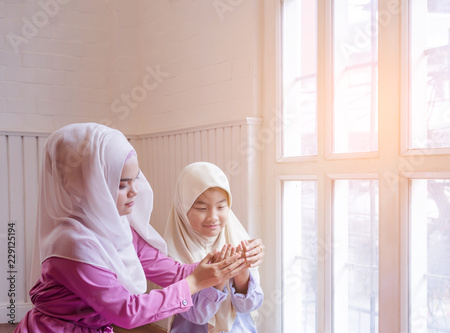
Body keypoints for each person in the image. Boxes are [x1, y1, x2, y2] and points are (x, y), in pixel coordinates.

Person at [15, 123, 246, 333]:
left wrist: (228, 262)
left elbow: (171, 271)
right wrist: (195, 282)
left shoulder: (118, 226)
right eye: (122, 184)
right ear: (84, 185)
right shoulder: (73, 243)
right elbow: (126, 311)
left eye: (136, 179)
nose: (135, 190)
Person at [164, 162, 265, 333]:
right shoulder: (171, 255)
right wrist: (217, 278)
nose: (213, 217)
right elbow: (197, 316)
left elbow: (249, 306)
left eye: (221, 207)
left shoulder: (238, 240)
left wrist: (242, 273)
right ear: (183, 208)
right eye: (202, 208)